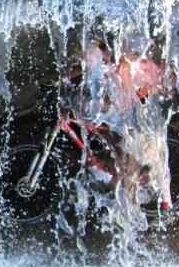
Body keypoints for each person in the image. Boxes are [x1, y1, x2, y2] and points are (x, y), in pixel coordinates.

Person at [73, 42, 173, 210]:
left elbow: (128, 101)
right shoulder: (110, 67)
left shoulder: (124, 67)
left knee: (134, 165)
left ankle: (151, 207)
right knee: (126, 160)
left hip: (134, 124)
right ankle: (127, 194)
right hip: (127, 119)